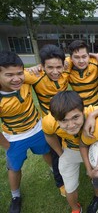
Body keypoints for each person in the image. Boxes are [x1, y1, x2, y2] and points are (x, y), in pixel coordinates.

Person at [0, 51, 51, 213]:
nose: (16, 79)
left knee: (48, 152)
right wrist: (6, 144)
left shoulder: (26, 78)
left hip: (38, 129)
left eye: (19, 73)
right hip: (14, 138)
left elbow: (52, 64)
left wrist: (37, 67)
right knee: (14, 168)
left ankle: (56, 173)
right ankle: (15, 196)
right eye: (9, 75)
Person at [42, 90, 98, 213]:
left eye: (75, 117)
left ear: (83, 111)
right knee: (69, 187)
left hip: (93, 149)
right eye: (64, 120)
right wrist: (60, 153)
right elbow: (49, 135)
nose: (71, 125)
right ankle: (76, 208)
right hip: (70, 150)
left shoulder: (90, 112)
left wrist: (92, 116)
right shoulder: (49, 122)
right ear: (55, 118)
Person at [24, 44, 68, 196]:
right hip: (50, 125)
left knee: (73, 147)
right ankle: (60, 182)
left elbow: (87, 56)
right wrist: (34, 68)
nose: (55, 71)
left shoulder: (67, 66)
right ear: (42, 66)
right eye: (50, 67)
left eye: (58, 67)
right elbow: (10, 73)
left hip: (68, 121)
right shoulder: (35, 75)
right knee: (56, 154)